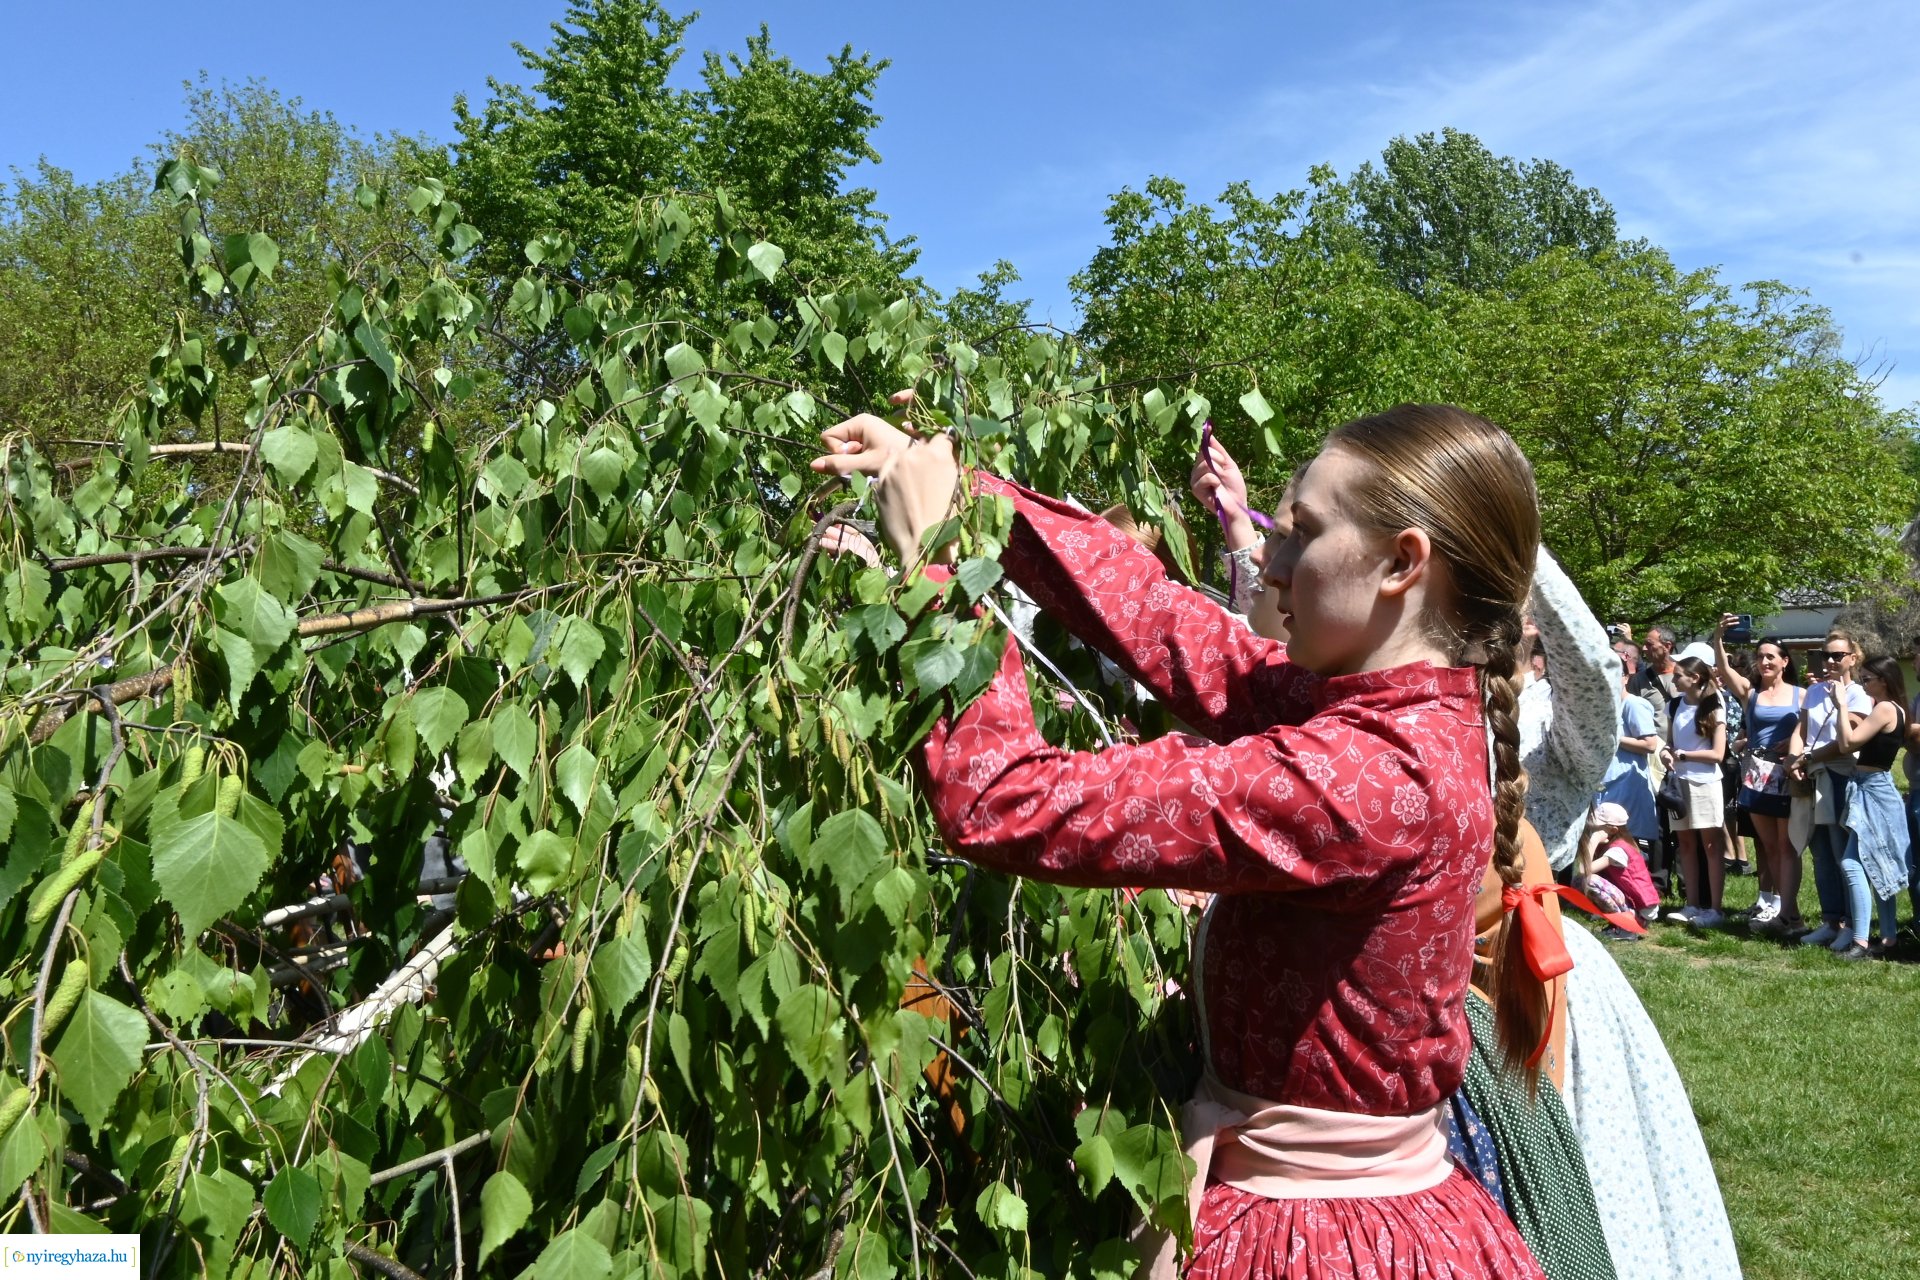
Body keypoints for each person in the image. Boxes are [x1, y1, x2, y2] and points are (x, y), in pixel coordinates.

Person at [813, 402, 1550, 1279]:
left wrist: (938, 573)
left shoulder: (1372, 780)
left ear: (1402, 563)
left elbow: (1001, 798)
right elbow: (1171, 627)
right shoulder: (1400, 717)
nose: (1270, 561)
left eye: (1303, 534)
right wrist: (967, 497)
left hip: (1313, 1238)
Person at [1713, 621, 1804, 934]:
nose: (1764, 661)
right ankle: (1784, 912)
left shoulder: (1800, 695)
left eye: (1771, 656)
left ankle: (1789, 913)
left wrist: (1794, 739)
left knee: (1786, 846)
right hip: (1755, 777)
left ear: (1784, 661)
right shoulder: (1750, 693)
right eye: (1760, 656)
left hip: (1786, 776)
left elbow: (1814, 727)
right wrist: (1718, 637)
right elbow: (1724, 669)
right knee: (1769, 847)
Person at [1789, 631, 1874, 949]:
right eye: (1826, 655)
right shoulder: (1813, 692)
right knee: (1821, 853)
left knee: (1843, 854)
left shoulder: (1858, 695)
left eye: (1837, 655)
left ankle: (1852, 925)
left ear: (1853, 658)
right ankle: (1830, 921)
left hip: (1840, 777)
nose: (1830, 661)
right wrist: (1793, 759)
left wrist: (1808, 757)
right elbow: (1801, 729)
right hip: (1812, 775)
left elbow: (1846, 741)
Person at [1829, 655, 1911, 958]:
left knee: (1852, 864)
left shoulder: (1885, 708)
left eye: (1866, 679)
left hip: (1873, 790)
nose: (1862, 684)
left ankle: (1860, 942)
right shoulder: (1895, 708)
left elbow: (1847, 744)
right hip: (1872, 787)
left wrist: (1841, 706)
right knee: (1878, 865)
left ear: (1884, 681)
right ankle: (1888, 940)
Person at [1660, 655, 1727, 925]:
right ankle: (1692, 904)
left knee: (1711, 846)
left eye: (1678, 675)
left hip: (1705, 783)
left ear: (1695, 678)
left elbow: (1718, 754)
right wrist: (1666, 753)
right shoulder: (1674, 705)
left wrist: (1684, 755)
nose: (1674, 680)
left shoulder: (1714, 705)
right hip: (1679, 783)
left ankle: (1715, 909)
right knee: (1685, 844)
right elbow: (1669, 742)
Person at [1582, 802, 1659, 932]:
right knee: (1581, 881)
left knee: (1590, 881)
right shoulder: (1617, 843)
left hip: (1642, 912)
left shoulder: (1617, 851)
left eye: (1596, 828)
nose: (1592, 830)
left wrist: (1594, 840)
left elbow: (1583, 870)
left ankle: (1625, 925)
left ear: (1613, 830)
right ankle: (1618, 916)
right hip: (1635, 904)